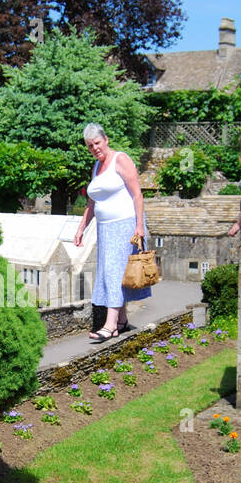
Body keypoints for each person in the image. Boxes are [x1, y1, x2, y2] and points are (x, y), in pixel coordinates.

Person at [74, 123, 150, 342]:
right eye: (90, 146)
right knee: (110, 271)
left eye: (97, 143)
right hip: (105, 228)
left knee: (114, 273)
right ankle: (122, 320)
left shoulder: (121, 160)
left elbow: (137, 195)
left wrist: (139, 226)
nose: (94, 148)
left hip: (125, 224)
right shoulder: (97, 166)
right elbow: (92, 201)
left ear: (105, 139)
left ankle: (110, 326)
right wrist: (81, 228)